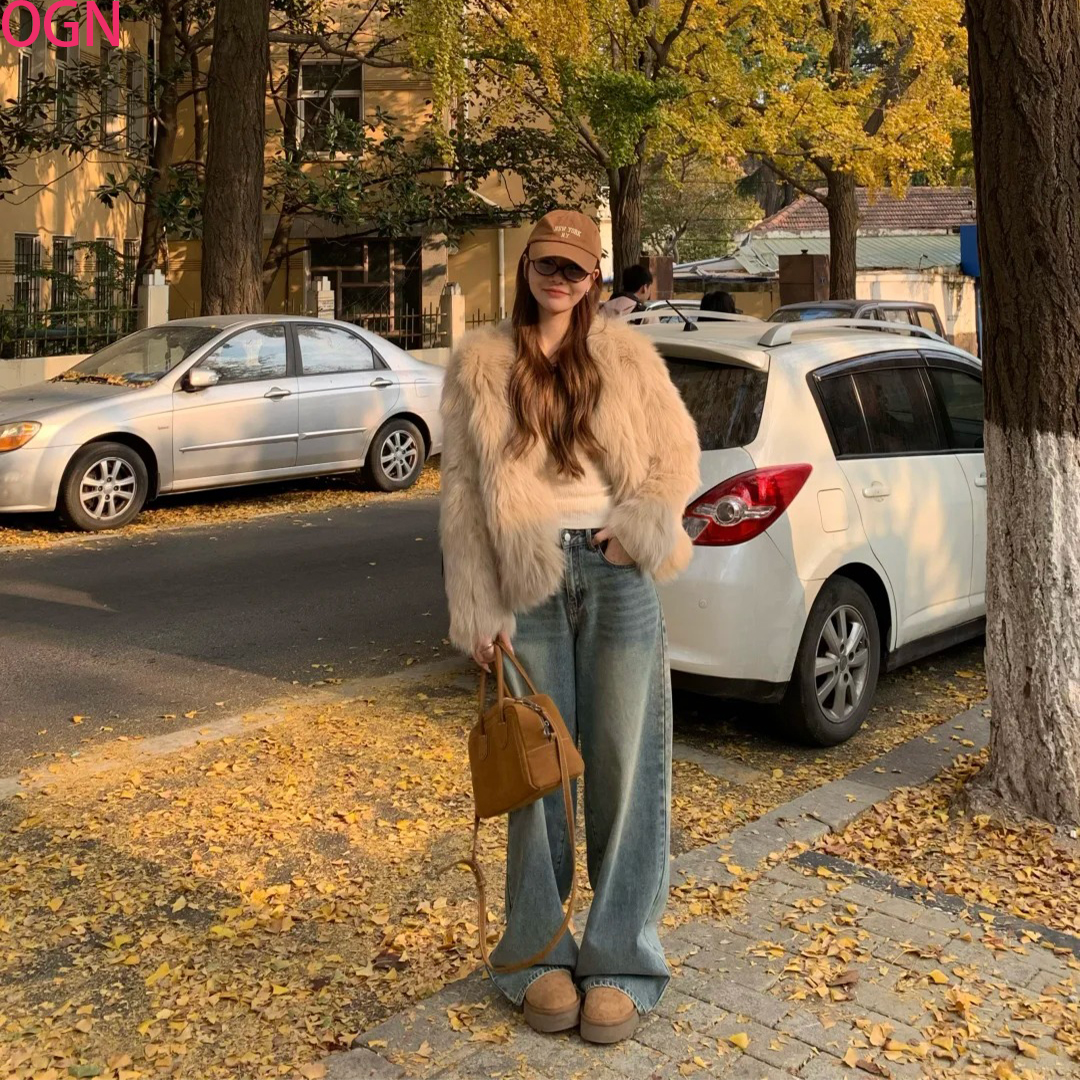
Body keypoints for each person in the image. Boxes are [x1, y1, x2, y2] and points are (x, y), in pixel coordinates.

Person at [439, 210, 701, 1045]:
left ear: (595, 279)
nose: (559, 280)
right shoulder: (480, 363)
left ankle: (624, 960)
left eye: (575, 269)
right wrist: (478, 608)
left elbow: (676, 457)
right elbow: (461, 495)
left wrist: (640, 527)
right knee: (535, 775)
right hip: (529, 583)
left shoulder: (627, 357)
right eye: (547, 265)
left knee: (629, 768)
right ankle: (536, 955)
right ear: (527, 268)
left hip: (616, 574)